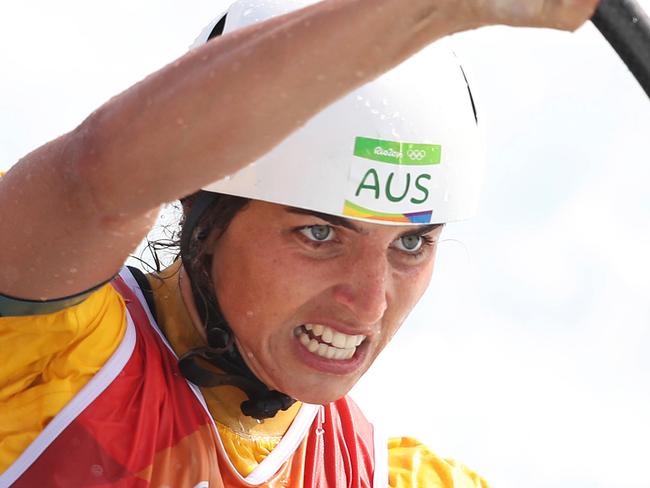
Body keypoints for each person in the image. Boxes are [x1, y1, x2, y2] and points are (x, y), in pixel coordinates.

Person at [0, 0, 599, 486]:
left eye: (411, 245)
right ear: (204, 218)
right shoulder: (46, 349)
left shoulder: (383, 477)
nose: (369, 304)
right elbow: (95, 176)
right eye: (319, 234)